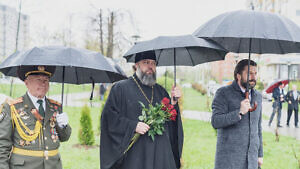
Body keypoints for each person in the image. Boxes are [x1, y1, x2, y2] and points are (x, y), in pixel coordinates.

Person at [100, 51, 183, 169]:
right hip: (135, 158)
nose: (150, 67)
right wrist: (133, 126)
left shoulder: (161, 91)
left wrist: (173, 103)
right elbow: (109, 119)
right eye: (146, 62)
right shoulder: (120, 89)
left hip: (160, 157)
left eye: (153, 63)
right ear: (136, 65)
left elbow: (170, 126)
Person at [0, 65, 72, 169]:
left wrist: (63, 126)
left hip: (53, 165)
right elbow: (2, 145)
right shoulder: (12, 107)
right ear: (26, 83)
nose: (43, 83)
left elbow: (64, 137)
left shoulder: (55, 107)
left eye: (46, 80)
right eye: (38, 79)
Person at [211, 59, 263, 169]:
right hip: (230, 161)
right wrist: (239, 112)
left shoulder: (257, 96)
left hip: (252, 161)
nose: (253, 77)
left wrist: (260, 154)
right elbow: (215, 121)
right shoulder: (223, 93)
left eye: (255, 73)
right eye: (249, 73)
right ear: (238, 76)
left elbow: (258, 127)